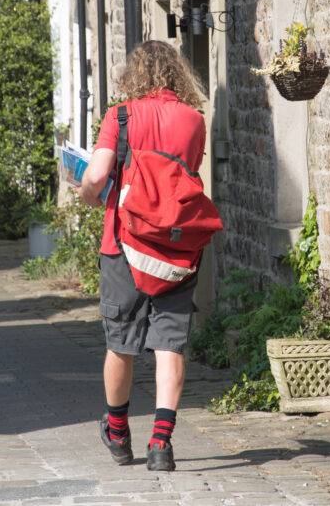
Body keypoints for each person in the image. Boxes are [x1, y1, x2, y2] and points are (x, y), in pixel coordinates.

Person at [77, 40, 207, 472]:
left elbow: (98, 174)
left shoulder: (121, 116)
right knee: (170, 343)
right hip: (176, 246)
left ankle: (117, 432)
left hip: (124, 244)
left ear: (134, 75)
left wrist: (87, 192)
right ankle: (161, 444)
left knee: (121, 342)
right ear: (177, 74)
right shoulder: (194, 120)